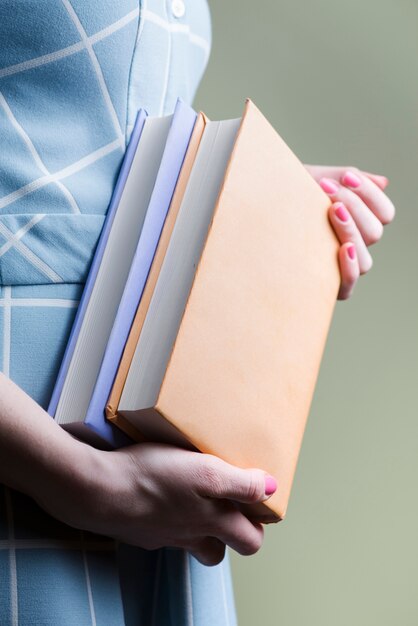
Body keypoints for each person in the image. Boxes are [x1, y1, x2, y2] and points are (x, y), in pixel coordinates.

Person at [0, 1, 395, 625]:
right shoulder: (81, 482)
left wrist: (262, 205)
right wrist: (79, 480)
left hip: (147, 478)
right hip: (29, 456)